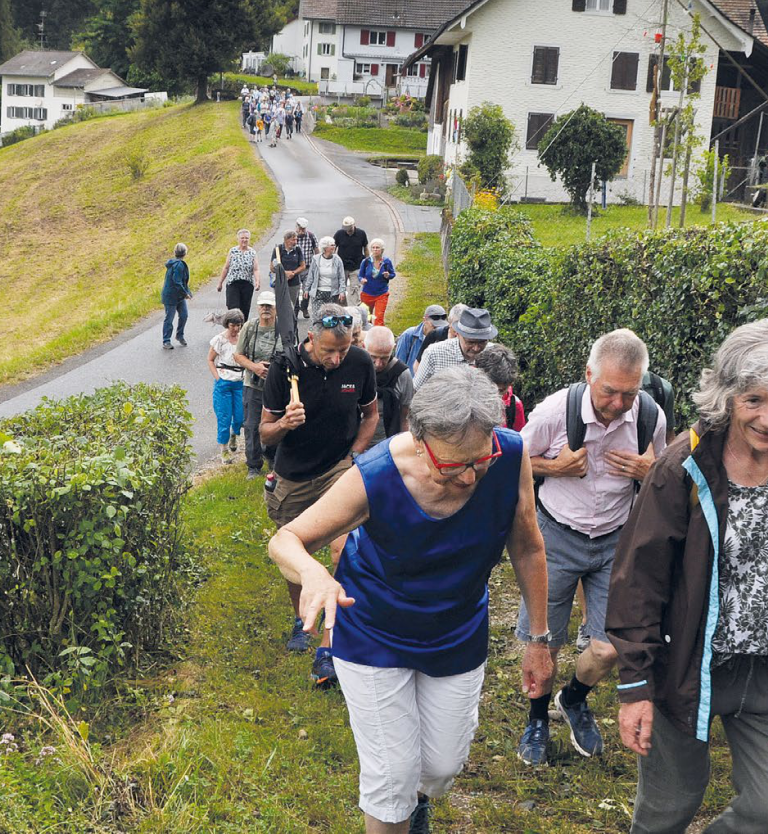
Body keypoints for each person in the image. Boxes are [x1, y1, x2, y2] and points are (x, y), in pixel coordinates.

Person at [267, 367, 554, 834]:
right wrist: (313, 573)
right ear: (418, 439)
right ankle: (398, 813)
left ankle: (415, 803)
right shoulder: (377, 475)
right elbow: (286, 539)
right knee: (391, 776)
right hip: (374, 629)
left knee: (441, 767)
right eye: (451, 466)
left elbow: (527, 543)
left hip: (456, 630)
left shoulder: (509, 453)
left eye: (479, 461)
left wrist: (538, 638)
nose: (469, 478)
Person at [609, 318, 768, 834]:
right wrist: (635, 685)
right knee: (669, 806)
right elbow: (639, 579)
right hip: (688, 666)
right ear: (727, 396)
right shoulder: (684, 468)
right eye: (754, 401)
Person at [515, 329, 669, 766]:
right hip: (555, 537)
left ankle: (573, 698)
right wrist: (554, 467)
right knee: (545, 643)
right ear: (588, 375)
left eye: (629, 393)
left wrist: (649, 472)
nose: (619, 403)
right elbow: (509, 461)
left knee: (610, 648)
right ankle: (537, 718)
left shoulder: (649, 417)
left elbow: (668, 476)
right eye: (609, 392)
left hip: (617, 542)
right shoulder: (555, 411)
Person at [260, 303, 379, 683]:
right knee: (296, 552)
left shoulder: (359, 363)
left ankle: (329, 646)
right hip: (293, 474)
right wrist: (283, 424)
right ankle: (302, 619)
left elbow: (371, 414)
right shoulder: (284, 368)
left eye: (341, 351)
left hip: (339, 469)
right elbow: (263, 432)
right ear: (311, 338)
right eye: (328, 351)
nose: (335, 358)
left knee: (343, 548)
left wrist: (357, 453)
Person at [235, 291, 283, 482]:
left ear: (276, 309)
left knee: (277, 424)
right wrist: (254, 367)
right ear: (257, 307)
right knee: (252, 425)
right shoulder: (249, 327)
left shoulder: (284, 327)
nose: (265, 309)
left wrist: (276, 369)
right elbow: (238, 355)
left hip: (277, 387)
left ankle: (273, 458)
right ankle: (253, 465)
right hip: (252, 385)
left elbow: (292, 354)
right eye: (262, 306)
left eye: (269, 306)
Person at [413, 306, 496, 390]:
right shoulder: (434, 354)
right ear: (458, 334)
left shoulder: (494, 355)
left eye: (482, 342)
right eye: (470, 342)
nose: (476, 348)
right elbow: (416, 390)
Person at [206, 310, 247, 461]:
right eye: (232, 325)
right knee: (224, 417)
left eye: (238, 325)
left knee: (239, 417)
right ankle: (223, 449)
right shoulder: (219, 340)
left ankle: (234, 435)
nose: (236, 329)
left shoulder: (244, 337)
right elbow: (210, 359)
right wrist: (217, 378)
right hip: (223, 383)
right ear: (227, 324)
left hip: (240, 383)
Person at [366, 325, 413, 440]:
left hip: (388, 440)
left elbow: (405, 415)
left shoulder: (402, 374)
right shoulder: (356, 368)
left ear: (394, 349)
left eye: (384, 358)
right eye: (373, 357)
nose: (378, 364)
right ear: (364, 347)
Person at [473, 343, 526, 432]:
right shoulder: (463, 396)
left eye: (501, 390)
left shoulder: (514, 406)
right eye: (490, 388)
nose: (494, 395)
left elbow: (518, 440)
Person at [216, 229, 261, 317]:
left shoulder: (252, 252)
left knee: (245, 309)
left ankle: (242, 329)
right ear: (238, 239)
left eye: (247, 238)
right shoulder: (232, 251)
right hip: (233, 283)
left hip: (247, 284)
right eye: (242, 238)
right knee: (233, 308)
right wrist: (220, 283)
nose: (244, 240)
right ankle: (233, 328)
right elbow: (226, 267)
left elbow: (255, 269)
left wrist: (257, 282)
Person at [358, 239, 397, 326]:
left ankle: (379, 337)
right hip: (367, 294)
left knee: (378, 318)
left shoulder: (386, 262)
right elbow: (360, 275)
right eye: (373, 248)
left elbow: (393, 274)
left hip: (381, 294)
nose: (375, 250)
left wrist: (388, 275)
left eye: (377, 248)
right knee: (367, 318)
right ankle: (367, 337)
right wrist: (362, 280)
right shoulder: (366, 262)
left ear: (382, 250)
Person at [397, 305, 447, 370]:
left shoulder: (446, 339)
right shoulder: (408, 335)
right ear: (424, 321)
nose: (438, 331)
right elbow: (399, 365)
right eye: (434, 327)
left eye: (441, 327)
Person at [161, 243, 191, 348]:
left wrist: (187, 292)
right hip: (171, 296)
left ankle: (179, 335)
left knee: (184, 315)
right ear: (185, 253)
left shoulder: (177, 264)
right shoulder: (179, 265)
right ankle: (166, 340)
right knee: (169, 318)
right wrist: (185, 293)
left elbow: (183, 282)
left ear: (175, 253)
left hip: (178, 296)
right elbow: (177, 281)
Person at [334, 216, 370, 303]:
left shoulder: (361, 234)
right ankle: (342, 308)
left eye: (349, 228)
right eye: (346, 228)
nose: (348, 230)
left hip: (357, 265)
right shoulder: (339, 234)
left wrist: (367, 261)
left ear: (354, 225)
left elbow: (365, 248)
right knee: (340, 288)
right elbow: (333, 247)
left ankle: (354, 307)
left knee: (355, 288)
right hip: (342, 266)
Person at [306, 237, 346, 307]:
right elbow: (310, 276)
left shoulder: (337, 259)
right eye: (332, 245)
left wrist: (342, 291)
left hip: (332, 294)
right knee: (318, 316)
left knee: (330, 316)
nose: (334, 246)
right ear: (325, 247)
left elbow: (341, 277)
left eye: (334, 245)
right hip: (318, 292)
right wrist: (307, 289)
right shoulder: (316, 259)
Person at [293, 218, 319, 317]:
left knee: (306, 289)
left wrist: (318, 264)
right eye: (300, 229)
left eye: (304, 229)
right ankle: (295, 309)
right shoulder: (293, 237)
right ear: (296, 228)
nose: (302, 231)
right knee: (295, 289)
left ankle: (304, 308)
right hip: (295, 269)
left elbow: (316, 250)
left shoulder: (311, 236)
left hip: (308, 268)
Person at [274, 229, 306, 300]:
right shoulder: (278, 249)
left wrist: (293, 273)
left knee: (291, 305)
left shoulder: (298, 249)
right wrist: (284, 273)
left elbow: (303, 266)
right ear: (286, 240)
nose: (295, 242)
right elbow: (272, 267)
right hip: (280, 283)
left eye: (296, 240)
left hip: (294, 283)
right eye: (293, 240)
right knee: (279, 305)